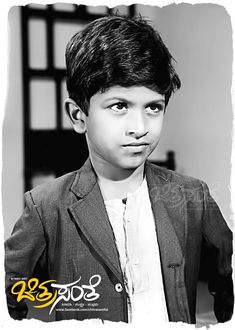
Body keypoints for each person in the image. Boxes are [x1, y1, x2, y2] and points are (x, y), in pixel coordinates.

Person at [5, 14, 233, 324]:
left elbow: (226, 271)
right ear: (77, 115)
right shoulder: (45, 207)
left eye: (153, 107)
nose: (139, 128)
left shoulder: (192, 195)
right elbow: (10, 291)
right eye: (119, 106)